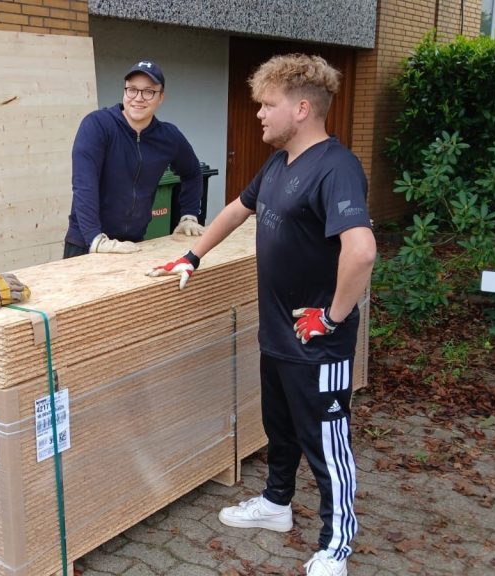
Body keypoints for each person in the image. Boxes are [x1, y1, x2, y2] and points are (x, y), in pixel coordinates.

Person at [148, 54, 376, 576]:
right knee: (280, 428)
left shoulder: (336, 167)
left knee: (326, 444)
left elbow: (361, 251)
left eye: (268, 104)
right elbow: (236, 209)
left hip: (318, 344)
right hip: (277, 334)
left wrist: (332, 318)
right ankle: (276, 504)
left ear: (302, 109)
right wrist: (191, 255)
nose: (259, 114)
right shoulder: (279, 164)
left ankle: (336, 546)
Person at [63, 59, 206, 258]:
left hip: (133, 244)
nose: (138, 98)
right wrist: (95, 239)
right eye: (132, 90)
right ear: (124, 91)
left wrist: (189, 214)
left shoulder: (168, 137)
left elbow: (192, 172)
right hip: (87, 243)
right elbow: (84, 184)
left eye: (148, 92)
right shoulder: (98, 125)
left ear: (161, 97)